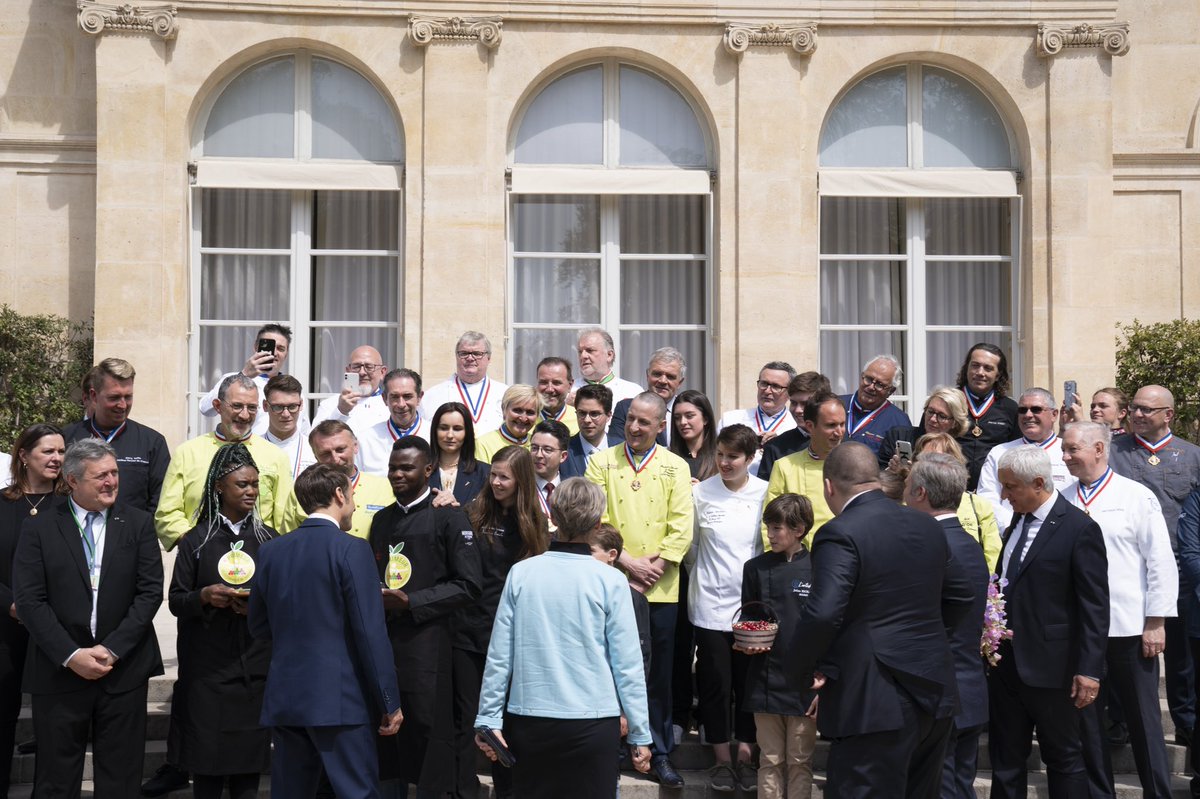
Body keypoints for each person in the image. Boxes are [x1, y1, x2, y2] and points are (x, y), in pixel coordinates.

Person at [791, 441, 973, 799]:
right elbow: (962, 596)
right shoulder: (927, 526)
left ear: (829, 486)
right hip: (932, 693)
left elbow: (824, 611)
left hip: (871, 699)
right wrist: (925, 640)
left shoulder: (839, 532)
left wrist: (801, 670)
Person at [474, 478, 652, 797]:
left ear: (553, 517)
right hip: (593, 723)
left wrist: (487, 717)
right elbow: (628, 665)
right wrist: (639, 733)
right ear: (598, 524)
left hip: (530, 720)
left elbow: (500, 655)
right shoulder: (611, 581)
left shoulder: (522, 573)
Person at [13, 439, 164, 798]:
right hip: (59, 669)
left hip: (123, 669)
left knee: (121, 778)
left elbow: (150, 593)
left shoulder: (138, 523)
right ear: (72, 481)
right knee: (56, 778)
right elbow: (31, 600)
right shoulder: (40, 527)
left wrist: (112, 649)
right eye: (101, 476)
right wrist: (71, 655)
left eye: (114, 473)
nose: (111, 482)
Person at [248, 464, 403, 798]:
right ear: (338, 495)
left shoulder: (271, 550)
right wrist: (389, 701)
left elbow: (258, 624)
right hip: (341, 700)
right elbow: (369, 633)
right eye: (351, 495)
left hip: (287, 698)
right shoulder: (352, 548)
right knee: (357, 792)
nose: (355, 504)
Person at [1061, 422, 1177, 799]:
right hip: (1081, 633)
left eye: (1072, 449)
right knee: (1088, 725)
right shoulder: (1062, 499)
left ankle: (1157, 792)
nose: (1064, 456)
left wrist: (1156, 620)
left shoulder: (1135, 496)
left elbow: (1159, 560)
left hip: (1129, 628)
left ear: (1098, 449)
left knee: (1144, 722)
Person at [988, 445, 1110, 799]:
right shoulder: (1017, 520)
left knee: (1064, 758)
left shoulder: (1078, 528)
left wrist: (1089, 669)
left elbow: (1094, 606)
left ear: (1038, 482)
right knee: (1006, 760)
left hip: (1055, 669)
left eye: (1010, 487)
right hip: (1007, 667)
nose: (1004, 495)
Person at [586, 391, 694, 787]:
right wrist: (627, 561)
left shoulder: (675, 466)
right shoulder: (601, 461)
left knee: (658, 673)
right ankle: (613, 748)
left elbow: (683, 522)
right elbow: (598, 517)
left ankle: (658, 750)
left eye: (644, 422)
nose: (634, 427)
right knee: (611, 668)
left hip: (661, 586)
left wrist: (659, 563)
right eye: (630, 419)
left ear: (660, 427)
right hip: (614, 579)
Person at [369, 436, 482, 798]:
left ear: (429, 470)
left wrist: (412, 601)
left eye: (406, 468)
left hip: (432, 645)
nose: (397, 475)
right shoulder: (382, 519)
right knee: (388, 736)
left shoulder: (448, 516)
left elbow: (468, 585)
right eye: (392, 468)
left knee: (431, 736)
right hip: (387, 645)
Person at [168, 443, 278, 799]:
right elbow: (175, 600)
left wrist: (258, 606)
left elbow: (285, 602)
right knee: (208, 769)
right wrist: (204, 596)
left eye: (254, 485)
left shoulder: (270, 541)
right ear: (219, 487)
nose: (250, 492)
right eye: (241, 485)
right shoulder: (196, 541)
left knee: (248, 772)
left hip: (254, 670)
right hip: (207, 672)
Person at [453, 446, 548, 799]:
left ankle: (508, 790)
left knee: (506, 722)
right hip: (468, 630)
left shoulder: (533, 522)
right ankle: (464, 790)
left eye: (504, 476)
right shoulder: (474, 512)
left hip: (511, 634)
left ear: (521, 479)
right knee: (468, 718)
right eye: (492, 474)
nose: (495, 482)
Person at [1110, 384, 1200, 747]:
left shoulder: (1192, 456)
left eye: (1147, 409)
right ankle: (1120, 722)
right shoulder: (1113, 451)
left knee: (1181, 658)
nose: (1137, 414)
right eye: (1134, 408)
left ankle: (1186, 724)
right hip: (1125, 571)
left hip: (1176, 571)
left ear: (1168, 415)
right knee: (1123, 650)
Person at [902, 453, 990, 799]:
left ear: (921, 493)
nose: (904, 493)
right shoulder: (968, 542)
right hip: (965, 688)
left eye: (908, 487)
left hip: (938, 694)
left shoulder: (931, 545)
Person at [688, 424, 766, 793]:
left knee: (748, 683)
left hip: (751, 607)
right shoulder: (700, 493)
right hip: (709, 604)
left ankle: (747, 758)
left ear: (750, 458)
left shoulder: (764, 493)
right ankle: (721, 759)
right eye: (719, 454)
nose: (723, 462)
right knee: (716, 683)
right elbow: (691, 551)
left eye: (732, 456)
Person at [155, 374, 294, 550]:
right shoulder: (187, 452)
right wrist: (199, 545)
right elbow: (167, 514)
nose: (244, 415)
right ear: (217, 406)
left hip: (258, 559)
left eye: (251, 408)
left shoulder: (276, 456)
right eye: (237, 406)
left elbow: (285, 521)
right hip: (200, 558)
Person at [738, 493, 818, 799]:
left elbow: (828, 626)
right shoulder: (755, 567)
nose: (770, 535)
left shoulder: (818, 567)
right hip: (764, 677)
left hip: (804, 682)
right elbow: (750, 616)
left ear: (799, 530)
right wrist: (747, 641)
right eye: (768, 528)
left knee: (800, 760)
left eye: (777, 529)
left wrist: (823, 678)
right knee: (769, 759)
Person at [0, 425, 66, 796]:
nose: (57, 458)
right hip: (4, 627)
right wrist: (13, 605)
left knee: (54, 723)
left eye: (61, 451)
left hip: (55, 629)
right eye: (48, 451)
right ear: (24, 455)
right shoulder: (1, 503)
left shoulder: (71, 507)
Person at [63, 357, 170, 514]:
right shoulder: (66, 438)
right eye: (114, 398)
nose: (123, 405)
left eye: (128, 397)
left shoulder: (152, 442)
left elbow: (160, 501)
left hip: (132, 536)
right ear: (93, 396)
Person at [977, 387, 1071, 529]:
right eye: (1022, 410)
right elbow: (987, 498)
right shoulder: (999, 452)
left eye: (1036, 409)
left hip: (1062, 532)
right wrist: (1014, 527)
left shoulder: (1069, 452)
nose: (1028, 415)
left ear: (1054, 414)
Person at [762, 390, 847, 545]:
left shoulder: (855, 463)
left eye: (842, 424)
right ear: (810, 426)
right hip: (799, 560)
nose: (839, 432)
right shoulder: (784, 466)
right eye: (831, 425)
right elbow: (770, 520)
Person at [909, 433, 1002, 573]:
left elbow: (993, 555)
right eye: (922, 460)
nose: (928, 466)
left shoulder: (978, 505)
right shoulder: (904, 504)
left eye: (936, 459)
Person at [198, 323, 298, 438]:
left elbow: (303, 432)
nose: (274, 353)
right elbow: (205, 409)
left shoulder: (292, 390)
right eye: (269, 346)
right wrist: (244, 375)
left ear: (286, 354)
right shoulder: (233, 379)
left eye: (281, 348)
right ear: (256, 347)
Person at [309, 421, 396, 540]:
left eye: (340, 449)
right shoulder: (304, 491)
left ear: (355, 446)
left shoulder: (385, 487)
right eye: (325, 453)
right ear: (315, 456)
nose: (335, 459)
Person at [954, 343, 1020, 490]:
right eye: (975, 365)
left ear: (998, 375)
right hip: (950, 491)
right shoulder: (946, 402)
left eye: (988, 368)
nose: (980, 372)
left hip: (994, 492)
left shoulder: (1010, 409)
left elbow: (1019, 453)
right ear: (967, 369)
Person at [420, 332, 508, 436]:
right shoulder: (432, 395)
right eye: (464, 353)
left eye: (477, 354)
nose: (470, 358)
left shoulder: (505, 394)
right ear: (456, 356)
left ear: (489, 358)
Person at [717, 362, 797, 477]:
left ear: (790, 392)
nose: (768, 391)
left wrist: (779, 446)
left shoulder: (795, 425)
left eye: (776, 386)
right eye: (764, 383)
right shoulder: (730, 419)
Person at [757, 371, 831, 481]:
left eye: (805, 404)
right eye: (794, 403)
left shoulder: (842, 444)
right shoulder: (775, 448)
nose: (797, 410)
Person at [356, 369, 429, 478]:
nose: (401, 404)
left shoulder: (434, 434)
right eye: (394, 397)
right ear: (385, 398)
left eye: (407, 396)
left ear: (419, 397)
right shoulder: (365, 439)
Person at [877, 385, 969, 469]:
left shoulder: (958, 452)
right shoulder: (898, 435)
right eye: (930, 411)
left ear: (955, 423)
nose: (933, 419)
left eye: (942, 416)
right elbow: (879, 475)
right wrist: (891, 471)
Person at [610, 348, 687, 446]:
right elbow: (616, 447)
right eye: (657, 374)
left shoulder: (687, 412)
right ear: (647, 375)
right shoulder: (625, 408)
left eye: (670, 376)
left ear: (680, 382)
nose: (663, 381)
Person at [838, 354, 910, 455]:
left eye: (880, 384)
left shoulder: (899, 421)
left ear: (891, 391)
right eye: (868, 379)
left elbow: (903, 465)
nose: (871, 387)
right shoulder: (836, 404)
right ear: (861, 376)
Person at [427, 402, 490, 508]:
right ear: (435, 431)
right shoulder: (421, 473)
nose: (450, 435)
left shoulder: (484, 473)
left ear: (467, 433)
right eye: (443, 428)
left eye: (457, 429)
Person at [313, 345, 390, 428]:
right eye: (356, 366)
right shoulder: (330, 404)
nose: (362, 372)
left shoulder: (393, 405)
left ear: (382, 372)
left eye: (369, 367)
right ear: (348, 371)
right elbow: (315, 438)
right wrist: (340, 411)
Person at [261, 374, 317, 482]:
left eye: (292, 407)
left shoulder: (314, 449)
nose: (286, 414)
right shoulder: (252, 448)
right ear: (265, 406)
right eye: (278, 407)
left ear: (301, 405)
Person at [572, 327, 644, 407]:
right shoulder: (568, 391)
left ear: (609, 355)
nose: (583, 356)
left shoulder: (632, 392)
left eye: (590, 350)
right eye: (580, 352)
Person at [562, 384, 620, 479]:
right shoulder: (564, 450)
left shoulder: (621, 449)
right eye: (582, 413)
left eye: (594, 414)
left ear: (609, 416)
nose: (587, 420)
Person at [474, 384, 542, 464]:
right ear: (504, 409)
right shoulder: (483, 444)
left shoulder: (538, 445)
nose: (523, 418)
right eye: (517, 410)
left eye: (530, 412)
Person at [669, 389, 718, 482]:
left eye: (689, 416)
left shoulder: (720, 456)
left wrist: (701, 490)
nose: (682, 422)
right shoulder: (667, 456)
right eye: (677, 418)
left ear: (705, 419)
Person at [530, 420, 569, 520]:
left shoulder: (573, 490)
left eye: (547, 450)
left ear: (563, 456)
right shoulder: (519, 486)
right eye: (534, 448)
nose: (538, 455)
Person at [535, 357, 579, 435]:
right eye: (544, 382)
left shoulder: (579, 419)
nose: (550, 389)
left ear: (570, 385)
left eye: (556, 383)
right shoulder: (526, 420)